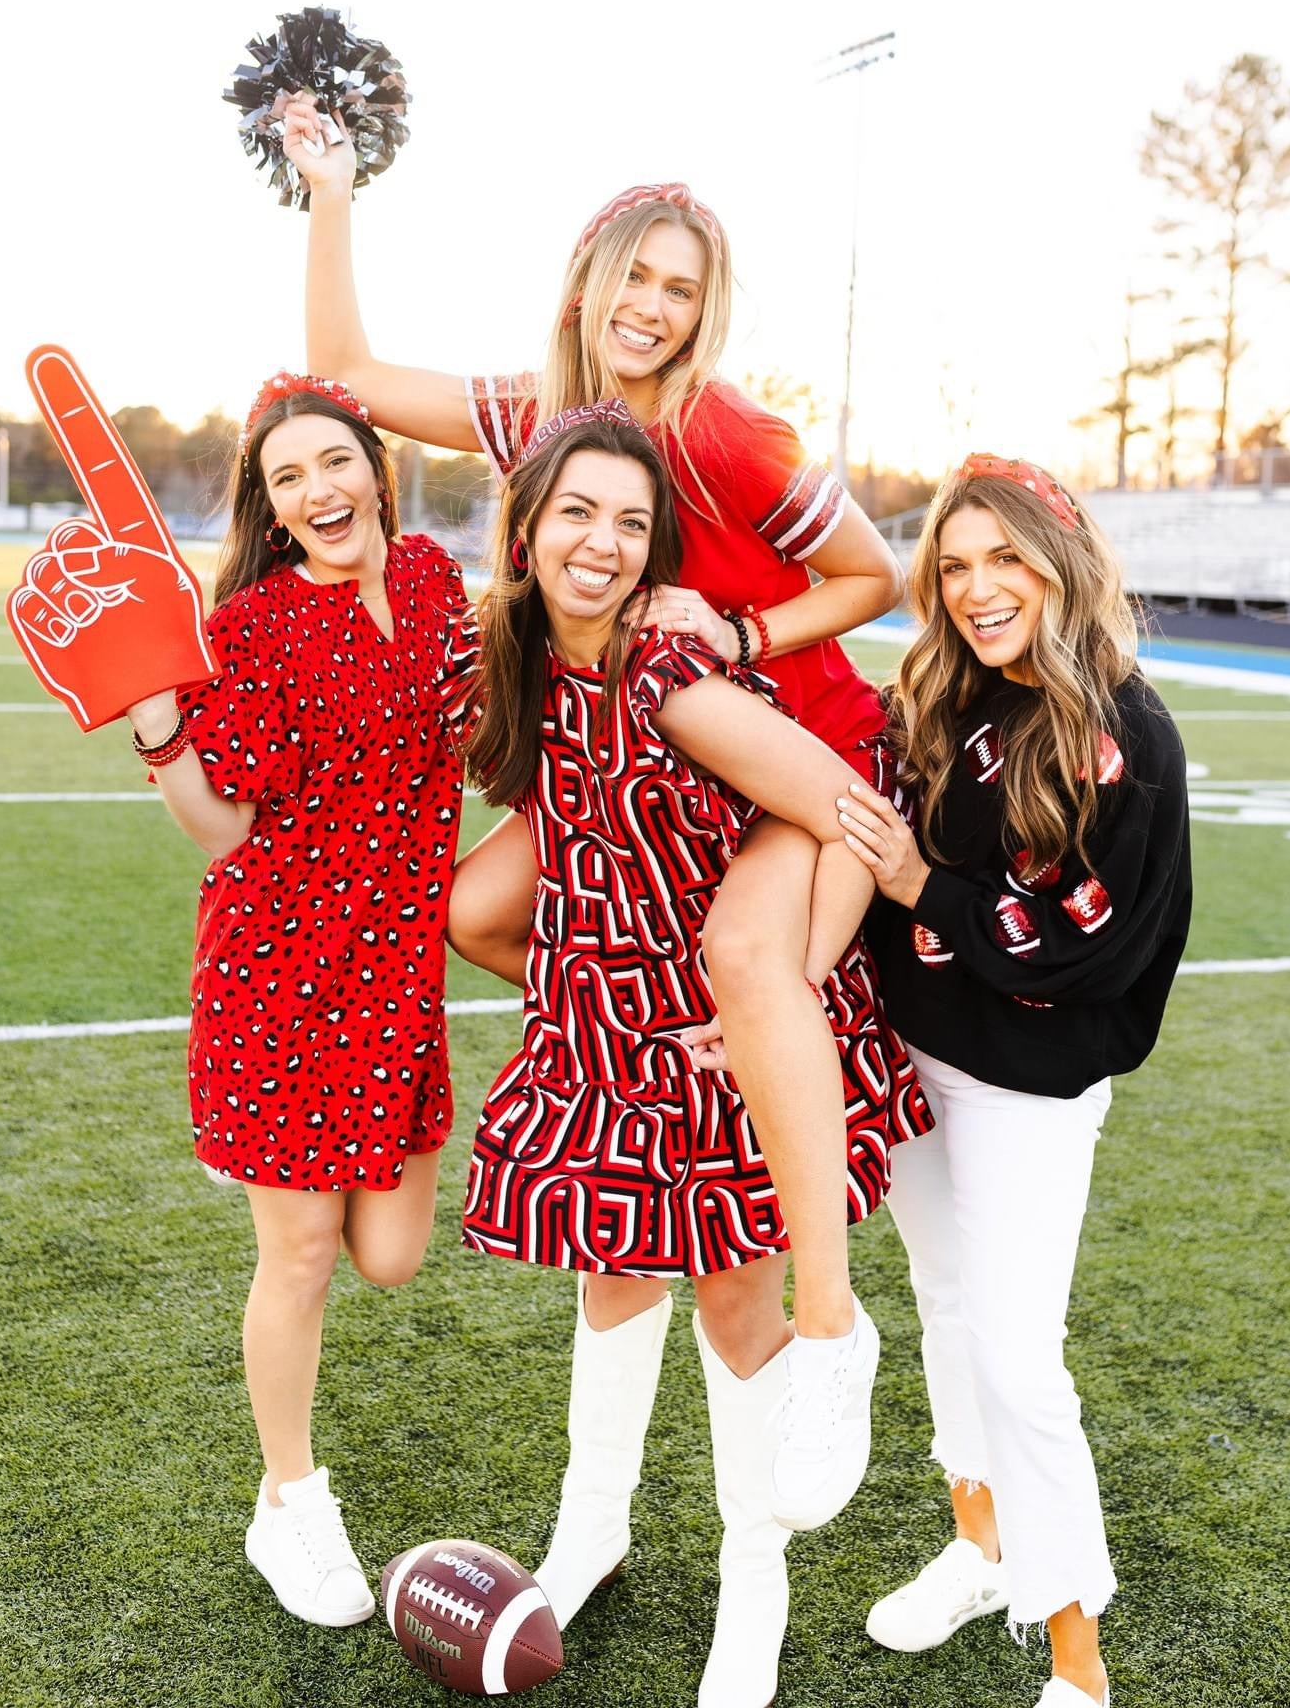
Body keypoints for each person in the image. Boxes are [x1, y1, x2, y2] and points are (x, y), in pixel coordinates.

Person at [286, 105, 904, 1525]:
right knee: (476, 909)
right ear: (587, 279)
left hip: (775, 747)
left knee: (753, 969)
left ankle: (826, 1318)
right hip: (641, 760)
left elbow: (872, 579)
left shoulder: (731, 433)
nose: (654, 305)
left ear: (706, 314)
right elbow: (348, 375)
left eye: (683, 289)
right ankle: (642, 1016)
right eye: (638, 274)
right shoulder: (538, 413)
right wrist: (332, 192)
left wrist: (737, 633)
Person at [434, 398, 930, 1708]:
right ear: (528, 527)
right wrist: (573, 992)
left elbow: (848, 807)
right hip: (608, 1026)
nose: (600, 542)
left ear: (655, 555)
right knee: (608, 1282)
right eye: (576, 512)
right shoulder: (531, 665)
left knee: (730, 1306)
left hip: (718, 1035)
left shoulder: (675, 684)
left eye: (632, 522)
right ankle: (590, 1530)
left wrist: (797, 979)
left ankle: (750, 1587)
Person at [835, 453, 1191, 1708]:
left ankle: (1077, 1663)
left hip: (1027, 1084)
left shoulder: (1128, 734)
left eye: (1006, 559)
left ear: (1062, 561)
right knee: (947, 1309)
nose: (979, 588)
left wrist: (922, 888)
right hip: (916, 1054)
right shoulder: (943, 693)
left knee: (1020, 1357)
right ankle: (979, 1544)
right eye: (955, 563)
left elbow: (1097, 940)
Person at [124, 371, 464, 1629]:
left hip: (395, 982)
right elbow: (222, 827)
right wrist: (162, 726)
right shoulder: (258, 626)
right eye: (287, 479)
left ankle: (290, 1486)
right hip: (277, 978)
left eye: (334, 463)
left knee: (391, 1255)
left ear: (375, 469)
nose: (318, 490)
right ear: (272, 509)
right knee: (305, 1255)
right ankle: (290, 1499)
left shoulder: (431, 583)